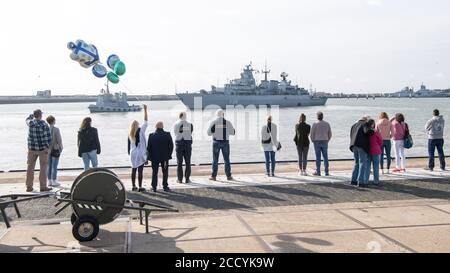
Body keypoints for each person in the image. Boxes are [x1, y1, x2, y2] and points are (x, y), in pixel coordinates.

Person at [25, 109, 53, 192]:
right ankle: (43, 186)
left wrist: (31, 116)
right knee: (43, 168)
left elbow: (27, 119)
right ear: (41, 115)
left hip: (31, 149)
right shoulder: (44, 124)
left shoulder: (30, 123)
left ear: (34, 115)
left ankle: (29, 187)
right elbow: (48, 138)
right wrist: (47, 148)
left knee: (30, 167)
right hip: (42, 150)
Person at [207, 109, 236, 181]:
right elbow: (233, 132)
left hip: (216, 142)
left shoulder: (213, 122)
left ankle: (213, 176)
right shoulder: (228, 122)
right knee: (227, 160)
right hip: (225, 142)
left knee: (215, 160)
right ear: (223, 115)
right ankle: (228, 176)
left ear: (216, 115)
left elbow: (208, 133)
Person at [147, 121, 174, 192]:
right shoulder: (167, 134)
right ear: (163, 127)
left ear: (155, 127)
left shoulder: (151, 135)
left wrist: (149, 158)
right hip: (165, 158)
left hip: (154, 158)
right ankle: (165, 186)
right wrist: (169, 155)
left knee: (154, 172)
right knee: (165, 172)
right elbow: (171, 146)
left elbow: (148, 148)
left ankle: (154, 187)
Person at [128, 105, 148, 192]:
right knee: (140, 170)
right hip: (140, 152)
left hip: (133, 152)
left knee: (133, 169)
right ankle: (140, 187)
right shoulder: (141, 130)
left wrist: (129, 153)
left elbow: (128, 145)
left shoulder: (130, 133)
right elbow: (146, 121)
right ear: (137, 125)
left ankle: (133, 186)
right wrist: (145, 110)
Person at [349, 116, 372, 187]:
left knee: (356, 163)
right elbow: (366, 131)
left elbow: (351, 135)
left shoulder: (354, 125)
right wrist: (372, 131)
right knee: (362, 163)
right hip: (362, 146)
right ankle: (360, 181)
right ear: (366, 120)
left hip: (353, 145)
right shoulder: (365, 124)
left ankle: (353, 180)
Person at [174, 112, 193, 184]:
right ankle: (187, 179)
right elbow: (190, 132)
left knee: (179, 162)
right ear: (185, 117)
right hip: (187, 144)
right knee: (188, 162)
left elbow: (175, 133)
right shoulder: (190, 124)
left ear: (180, 116)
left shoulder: (176, 124)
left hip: (179, 144)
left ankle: (180, 179)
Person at [310, 112, 332, 176]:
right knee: (325, 157)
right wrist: (328, 140)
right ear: (322, 116)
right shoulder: (327, 124)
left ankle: (318, 172)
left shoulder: (315, 124)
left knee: (318, 157)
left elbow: (312, 134)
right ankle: (326, 172)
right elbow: (330, 134)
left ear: (317, 117)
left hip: (317, 141)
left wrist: (312, 140)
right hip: (325, 140)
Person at [46, 115, 63, 187]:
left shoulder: (46, 129)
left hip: (47, 149)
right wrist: (61, 148)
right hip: (55, 149)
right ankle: (54, 180)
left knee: (49, 166)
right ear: (53, 121)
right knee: (54, 166)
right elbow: (59, 140)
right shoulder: (56, 129)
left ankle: (49, 181)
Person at [365, 119, 383, 186]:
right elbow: (381, 141)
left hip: (368, 150)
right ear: (373, 124)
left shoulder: (366, 132)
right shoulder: (376, 132)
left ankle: (365, 180)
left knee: (367, 167)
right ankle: (376, 181)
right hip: (376, 150)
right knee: (376, 167)